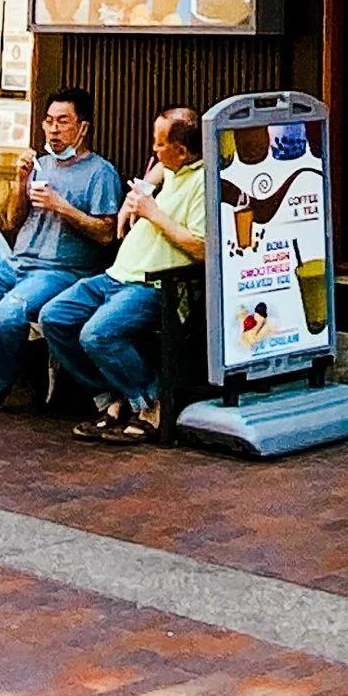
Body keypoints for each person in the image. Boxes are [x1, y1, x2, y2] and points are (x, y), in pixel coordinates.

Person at [0, 89, 121, 411]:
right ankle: (26, 354)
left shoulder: (100, 172)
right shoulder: (40, 165)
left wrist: (63, 207)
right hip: (18, 262)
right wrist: (21, 181)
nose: (53, 130)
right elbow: (12, 220)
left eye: (63, 122)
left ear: (83, 127)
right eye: (48, 122)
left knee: (10, 312)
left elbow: (107, 234)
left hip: (62, 269)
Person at [36, 108, 206, 444]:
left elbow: (201, 248)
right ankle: (110, 397)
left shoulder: (203, 183)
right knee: (54, 317)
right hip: (116, 275)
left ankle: (151, 402)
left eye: (159, 144)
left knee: (97, 334)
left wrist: (151, 212)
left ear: (182, 151)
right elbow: (158, 168)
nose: (153, 151)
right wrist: (140, 190)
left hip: (154, 283)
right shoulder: (172, 168)